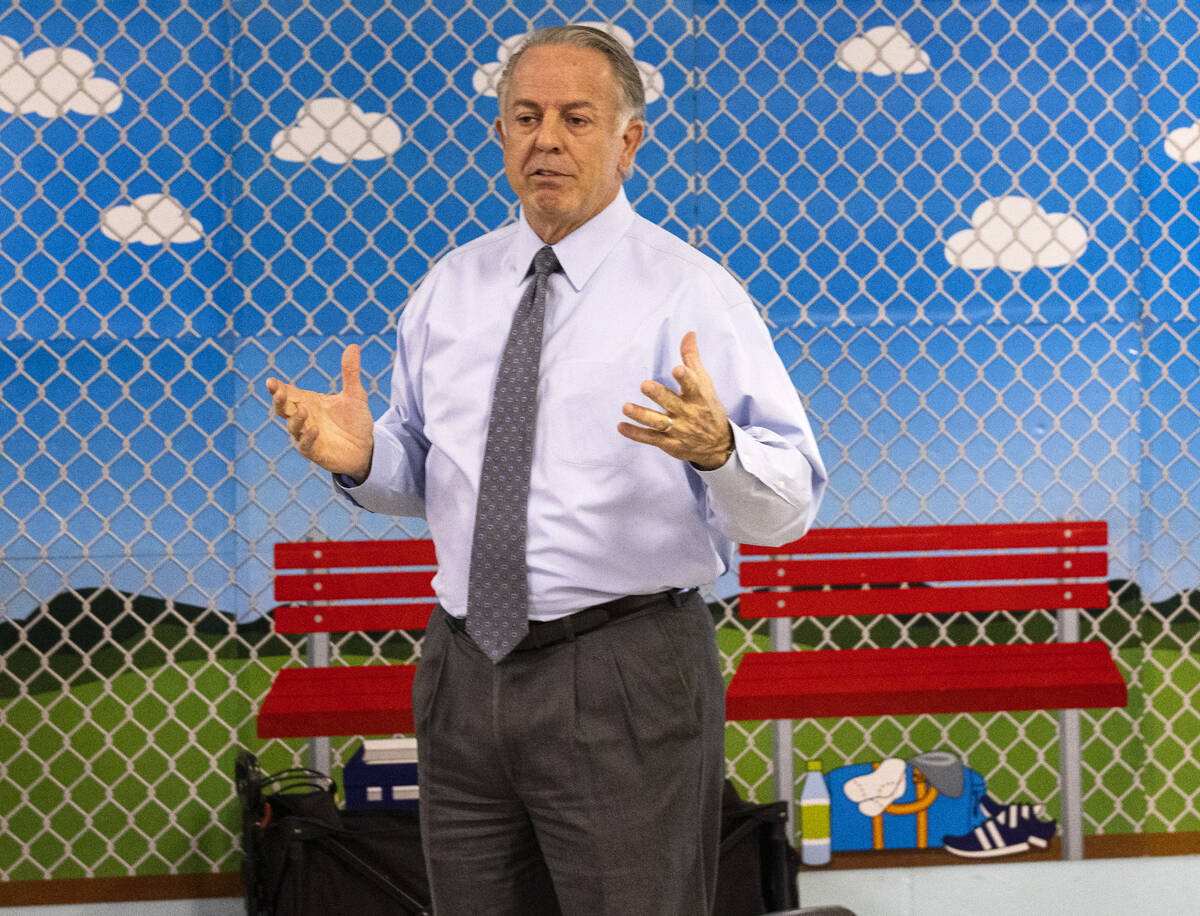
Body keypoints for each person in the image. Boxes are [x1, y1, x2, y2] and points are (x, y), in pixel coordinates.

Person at [266, 24, 826, 916]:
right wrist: (366, 459)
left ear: (628, 140)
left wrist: (721, 450)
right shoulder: (448, 290)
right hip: (462, 674)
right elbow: (426, 475)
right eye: (525, 117)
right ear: (500, 135)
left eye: (576, 117)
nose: (547, 139)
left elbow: (787, 507)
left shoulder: (693, 297)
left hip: (623, 674)